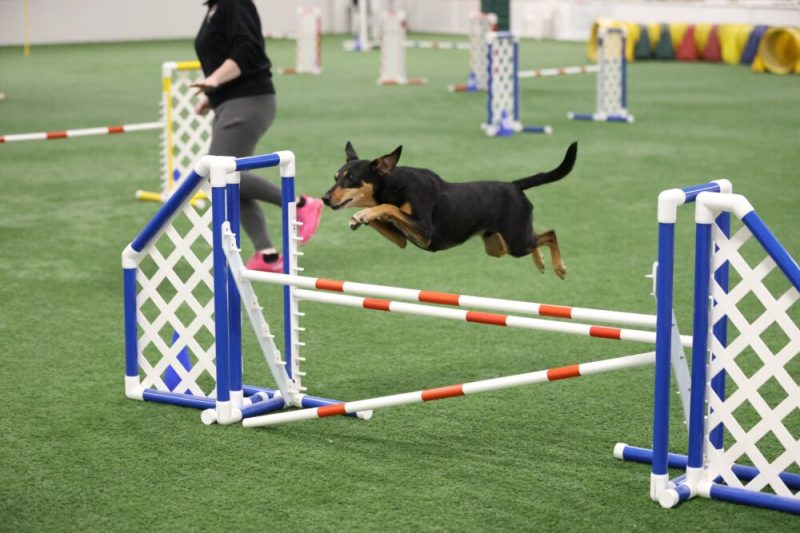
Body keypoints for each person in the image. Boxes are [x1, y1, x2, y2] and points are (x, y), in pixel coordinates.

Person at [193, 0, 322, 272]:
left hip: (249, 101)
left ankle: (299, 204)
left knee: (219, 171)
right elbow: (223, 53)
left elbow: (248, 49)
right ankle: (267, 255)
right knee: (231, 180)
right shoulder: (215, 8)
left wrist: (215, 80)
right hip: (231, 102)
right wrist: (211, 94)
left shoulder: (235, 3)